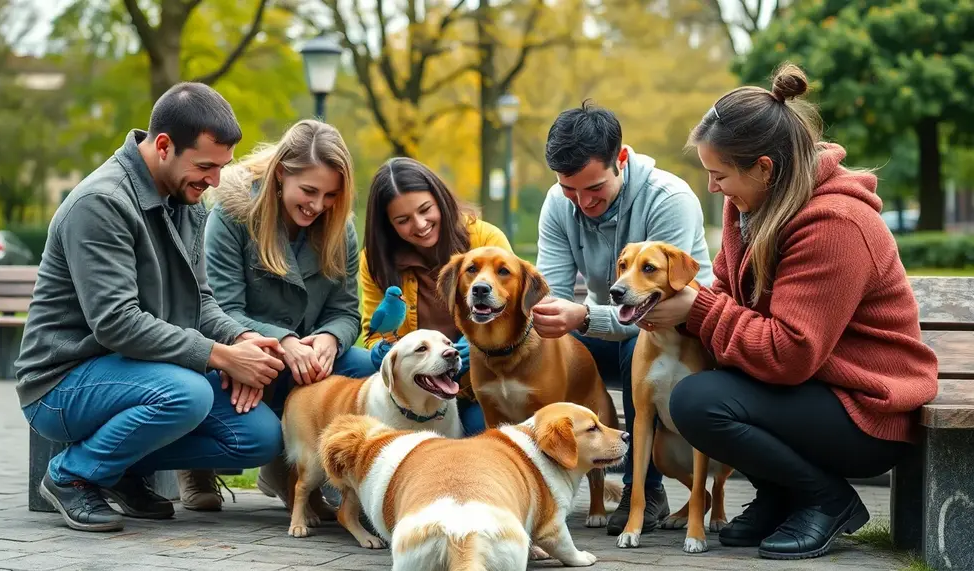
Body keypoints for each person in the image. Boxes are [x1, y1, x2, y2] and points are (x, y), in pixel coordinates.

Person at [645, 63, 939, 560]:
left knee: (699, 402)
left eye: (719, 175)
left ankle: (828, 500)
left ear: (764, 167)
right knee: (697, 391)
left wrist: (698, 311)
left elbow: (789, 353)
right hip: (810, 391)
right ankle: (780, 493)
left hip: (866, 408)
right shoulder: (751, 206)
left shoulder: (836, 224)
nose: (713, 188)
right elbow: (727, 290)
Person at [14, 82, 288, 532]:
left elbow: (200, 301)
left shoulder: (187, 200)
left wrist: (239, 338)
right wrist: (220, 357)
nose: (215, 181)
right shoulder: (101, 203)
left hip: (140, 371)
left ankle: (120, 471)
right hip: (61, 382)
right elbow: (116, 324)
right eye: (205, 166)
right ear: (163, 146)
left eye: (221, 167)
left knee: (257, 437)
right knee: (189, 393)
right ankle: (72, 475)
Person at [532, 101, 714, 537]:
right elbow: (555, 290)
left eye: (593, 187)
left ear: (622, 160)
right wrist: (550, 319)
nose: (582, 201)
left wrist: (583, 315)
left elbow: (659, 311)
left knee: (640, 340)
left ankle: (644, 491)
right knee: (543, 349)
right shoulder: (560, 203)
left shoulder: (667, 199)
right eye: (569, 189)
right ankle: (538, 481)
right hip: (610, 326)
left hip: (678, 337)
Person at [202, 118, 372, 510]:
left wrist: (331, 338)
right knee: (254, 429)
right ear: (281, 173)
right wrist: (283, 342)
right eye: (309, 191)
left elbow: (346, 310)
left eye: (330, 195)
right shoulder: (233, 216)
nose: (318, 205)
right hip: (246, 354)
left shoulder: (339, 227)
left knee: (369, 374)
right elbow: (221, 308)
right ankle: (198, 468)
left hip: (308, 362)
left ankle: (298, 467)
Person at [359, 157, 512, 436]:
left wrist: (475, 346)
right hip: (420, 387)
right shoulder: (375, 261)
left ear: (440, 199)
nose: (419, 225)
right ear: (388, 225)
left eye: (425, 209)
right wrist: (379, 350)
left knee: (482, 435)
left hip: (482, 381)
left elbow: (515, 313)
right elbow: (373, 332)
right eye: (403, 220)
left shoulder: (485, 239)